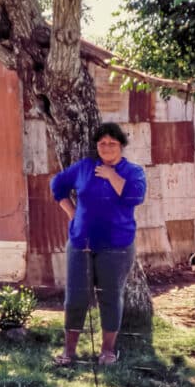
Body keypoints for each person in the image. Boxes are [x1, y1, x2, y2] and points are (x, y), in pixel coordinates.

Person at [50, 122, 147, 366]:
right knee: (75, 298)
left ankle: (107, 351)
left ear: (121, 146)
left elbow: (135, 197)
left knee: (111, 297)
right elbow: (58, 185)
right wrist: (72, 213)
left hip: (117, 246)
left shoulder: (133, 171)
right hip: (81, 243)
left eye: (112, 143)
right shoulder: (84, 167)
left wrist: (111, 175)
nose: (106, 147)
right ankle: (69, 352)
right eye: (102, 143)